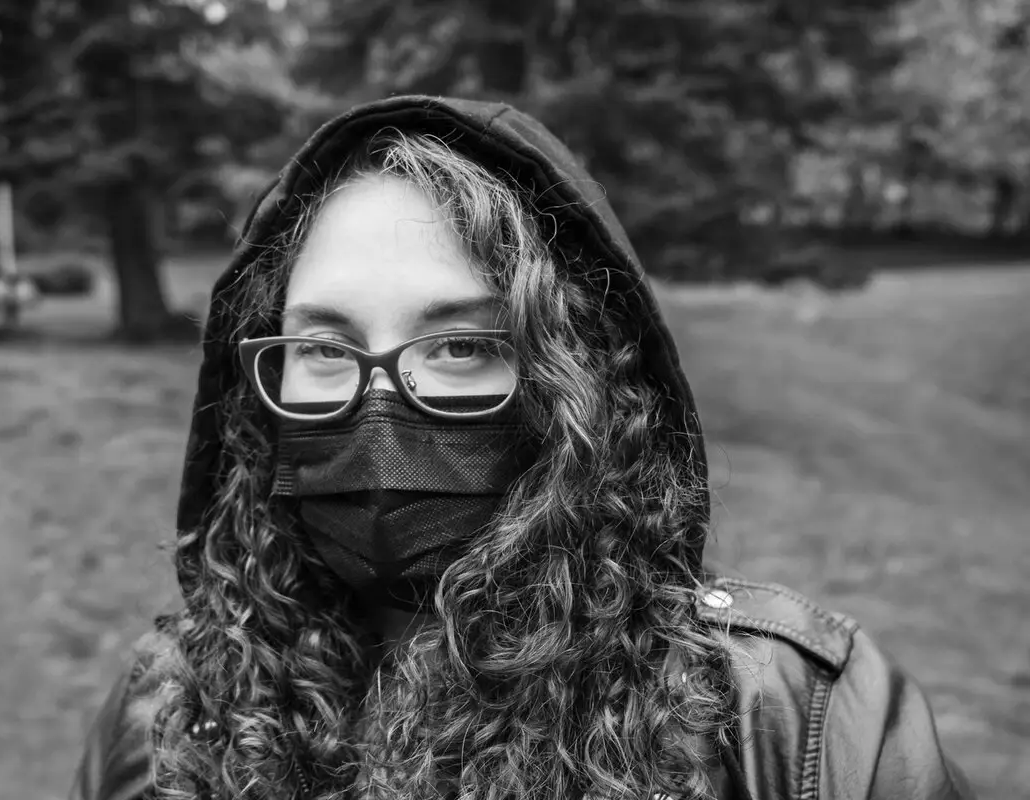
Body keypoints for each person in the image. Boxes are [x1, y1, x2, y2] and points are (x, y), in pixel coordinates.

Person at [69, 96, 974, 800]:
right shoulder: (168, 717)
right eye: (324, 348)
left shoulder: (794, 720)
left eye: (461, 344)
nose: (380, 410)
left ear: (574, 381)